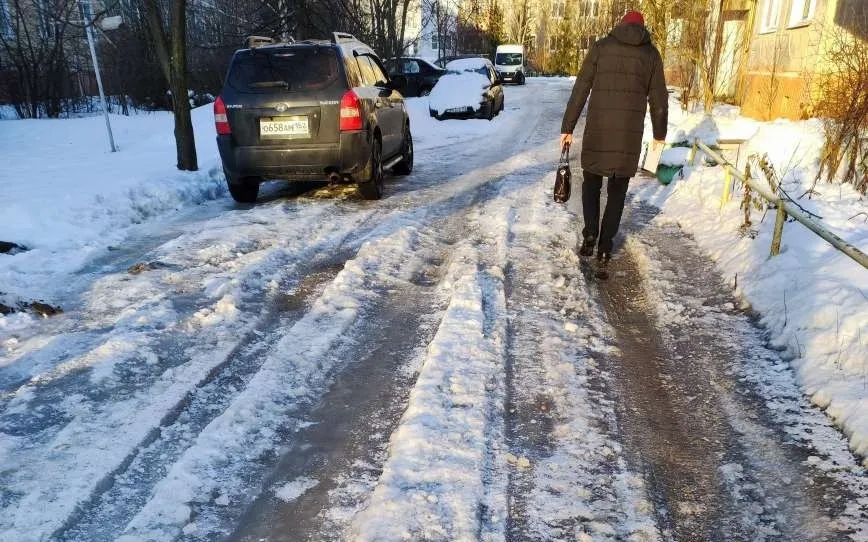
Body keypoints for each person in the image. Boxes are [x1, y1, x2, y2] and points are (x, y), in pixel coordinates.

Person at [560, 9, 668, 278]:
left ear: (621, 25)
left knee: (592, 185)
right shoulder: (651, 55)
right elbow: (659, 100)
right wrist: (659, 135)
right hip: (628, 136)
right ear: (643, 29)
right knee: (617, 192)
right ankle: (605, 247)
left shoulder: (601, 47)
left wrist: (568, 127)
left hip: (598, 130)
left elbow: (581, 88)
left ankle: (590, 235)